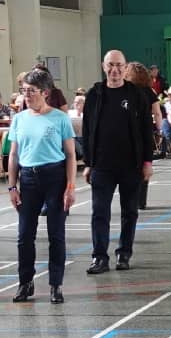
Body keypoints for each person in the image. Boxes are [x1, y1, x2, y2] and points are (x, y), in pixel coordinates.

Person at [82, 50, 155, 274]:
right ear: (104, 66)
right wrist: (88, 163)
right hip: (102, 165)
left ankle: (124, 253)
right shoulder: (94, 94)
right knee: (99, 212)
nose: (114, 70)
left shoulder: (136, 95)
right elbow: (86, 130)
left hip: (130, 165)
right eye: (110, 65)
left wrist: (147, 161)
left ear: (125, 68)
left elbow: (145, 129)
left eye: (119, 65)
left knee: (129, 212)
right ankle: (99, 257)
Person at [8, 67, 77, 304]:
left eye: (31, 91)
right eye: (24, 91)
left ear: (45, 93)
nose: (27, 95)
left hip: (54, 178)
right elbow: (14, 155)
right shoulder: (19, 119)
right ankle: (25, 282)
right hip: (28, 178)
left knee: (56, 234)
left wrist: (70, 187)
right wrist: (12, 186)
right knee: (24, 234)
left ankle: (55, 284)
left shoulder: (59, 118)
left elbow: (69, 155)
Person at [124, 63, 162, 210]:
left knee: (129, 166)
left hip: (127, 132)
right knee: (145, 163)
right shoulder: (149, 91)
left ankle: (130, 198)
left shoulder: (126, 90)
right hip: (144, 132)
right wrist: (159, 130)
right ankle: (141, 200)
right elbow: (157, 113)